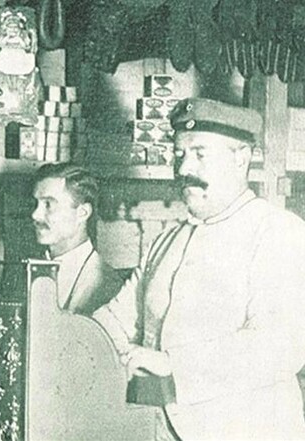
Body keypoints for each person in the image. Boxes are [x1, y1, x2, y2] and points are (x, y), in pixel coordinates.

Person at [93, 98, 305, 440]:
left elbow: (278, 345)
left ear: (241, 157)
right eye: (179, 154)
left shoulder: (278, 231)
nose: (183, 168)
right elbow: (117, 319)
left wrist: (171, 363)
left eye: (200, 154)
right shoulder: (166, 241)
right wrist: (75, 340)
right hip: (159, 429)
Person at [32, 163, 122, 315]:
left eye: (48, 204)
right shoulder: (30, 271)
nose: (35, 215)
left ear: (82, 213)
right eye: (36, 203)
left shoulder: (106, 286)